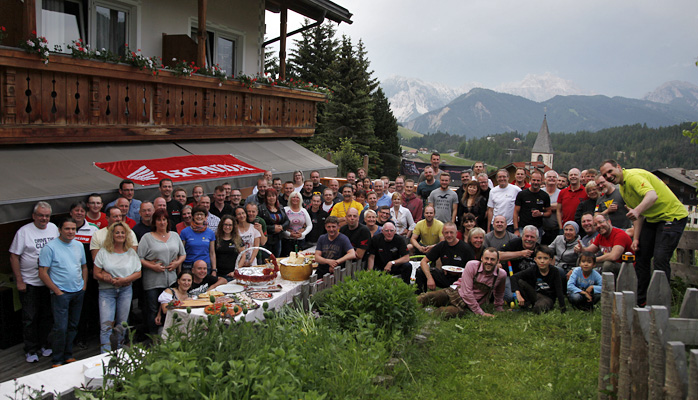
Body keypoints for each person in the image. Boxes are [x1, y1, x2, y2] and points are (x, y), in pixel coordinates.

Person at [10, 201, 59, 363]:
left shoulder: (53, 228)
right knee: (30, 317)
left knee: (47, 316)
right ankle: (30, 349)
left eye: (46, 216)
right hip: (29, 282)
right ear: (34, 216)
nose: (43, 219)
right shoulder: (24, 232)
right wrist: (19, 280)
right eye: (40, 215)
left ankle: (45, 344)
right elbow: (14, 257)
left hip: (49, 282)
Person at [38, 218, 87, 367]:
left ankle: (68, 355)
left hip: (78, 291)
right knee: (60, 327)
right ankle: (57, 359)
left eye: (73, 229)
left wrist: (84, 286)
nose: (71, 232)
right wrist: (56, 291)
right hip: (62, 294)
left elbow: (84, 266)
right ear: (60, 230)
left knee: (73, 325)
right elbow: (43, 272)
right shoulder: (50, 247)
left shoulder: (79, 245)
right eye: (67, 229)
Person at [92, 221, 141, 353]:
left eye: (122, 232)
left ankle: (118, 351)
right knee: (105, 325)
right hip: (106, 291)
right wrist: (106, 278)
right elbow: (96, 273)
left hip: (125, 290)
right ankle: (105, 354)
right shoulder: (103, 252)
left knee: (122, 324)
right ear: (111, 235)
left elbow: (138, 273)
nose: (120, 235)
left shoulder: (131, 252)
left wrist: (125, 280)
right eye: (117, 232)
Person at [417, 247, 506, 318]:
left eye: (492, 259)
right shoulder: (472, 265)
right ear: (482, 258)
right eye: (486, 258)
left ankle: (426, 316)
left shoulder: (501, 275)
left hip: (466, 306)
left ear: (498, 261)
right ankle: (408, 308)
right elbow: (467, 292)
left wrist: (499, 308)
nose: (489, 262)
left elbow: (499, 292)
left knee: (444, 313)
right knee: (427, 297)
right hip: (454, 292)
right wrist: (481, 313)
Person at [138, 208, 185, 334]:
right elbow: (139, 258)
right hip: (153, 280)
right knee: (153, 309)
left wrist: (177, 263)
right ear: (154, 222)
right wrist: (152, 266)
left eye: (164, 219)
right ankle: (154, 337)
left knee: (170, 307)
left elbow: (183, 254)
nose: (162, 222)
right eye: (159, 220)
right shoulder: (147, 238)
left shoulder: (174, 235)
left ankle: (170, 334)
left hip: (171, 279)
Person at [415, 222, 475, 293]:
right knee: (420, 271)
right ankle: (420, 296)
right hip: (445, 276)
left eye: (451, 233)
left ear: (456, 233)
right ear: (443, 233)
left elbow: (473, 268)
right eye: (446, 233)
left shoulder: (466, 248)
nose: (449, 235)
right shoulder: (441, 245)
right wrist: (429, 278)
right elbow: (423, 261)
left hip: (461, 279)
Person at [511, 245, 566, 314]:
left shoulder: (554, 271)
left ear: (550, 260)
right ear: (535, 259)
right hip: (535, 294)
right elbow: (514, 277)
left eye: (545, 258)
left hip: (548, 298)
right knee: (520, 281)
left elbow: (559, 290)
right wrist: (517, 294)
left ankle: (534, 306)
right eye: (539, 258)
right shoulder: (533, 269)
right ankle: (527, 304)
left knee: (539, 308)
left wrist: (563, 308)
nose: (542, 261)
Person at [576, 213, 633, 278]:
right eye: (595, 225)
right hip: (612, 266)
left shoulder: (619, 235)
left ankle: (605, 287)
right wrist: (582, 249)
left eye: (600, 222)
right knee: (581, 260)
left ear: (609, 221)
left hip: (626, 268)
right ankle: (582, 284)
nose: (599, 226)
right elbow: (589, 251)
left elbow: (614, 256)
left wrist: (593, 260)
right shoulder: (600, 236)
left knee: (608, 264)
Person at [513, 170, 551, 237]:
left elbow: (549, 212)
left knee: (536, 247)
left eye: (538, 180)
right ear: (530, 180)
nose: (536, 182)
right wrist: (516, 229)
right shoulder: (522, 194)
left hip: (537, 229)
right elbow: (515, 212)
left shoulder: (545, 196)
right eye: (534, 180)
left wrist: (541, 214)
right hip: (523, 228)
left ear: (541, 181)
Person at [180, 207, 217, 272]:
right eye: (197, 214)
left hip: (205, 266)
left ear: (205, 217)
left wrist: (214, 270)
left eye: (202, 214)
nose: (199, 216)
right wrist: (179, 271)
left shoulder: (210, 233)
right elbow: (181, 253)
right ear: (193, 216)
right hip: (188, 266)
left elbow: (212, 253)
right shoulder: (184, 232)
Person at [258, 188, 289, 257]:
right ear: (266, 197)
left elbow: (287, 221)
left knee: (276, 259)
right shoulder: (260, 208)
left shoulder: (280, 207)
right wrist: (272, 228)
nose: (271, 198)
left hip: (278, 239)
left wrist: (282, 227)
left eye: (273, 196)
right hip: (266, 239)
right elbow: (260, 224)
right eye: (269, 196)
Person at [215, 215, 243, 281]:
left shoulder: (238, 239)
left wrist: (236, 271)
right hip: (219, 274)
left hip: (232, 274)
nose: (227, 227)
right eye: (225, 224)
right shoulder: (216, 238)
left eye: (230, 225)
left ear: (233, 226)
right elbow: (212, 254)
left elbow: (243, 256)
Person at [541, 170, 561, 245]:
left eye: (554, 177)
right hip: (541, 228)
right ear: (545, 180)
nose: (552, 178)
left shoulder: (561, 193)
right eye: (549, 177)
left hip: (555, 229)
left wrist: (544, 207)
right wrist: (554, 206)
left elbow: (560, 206)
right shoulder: (540, 192)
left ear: (557, 180)